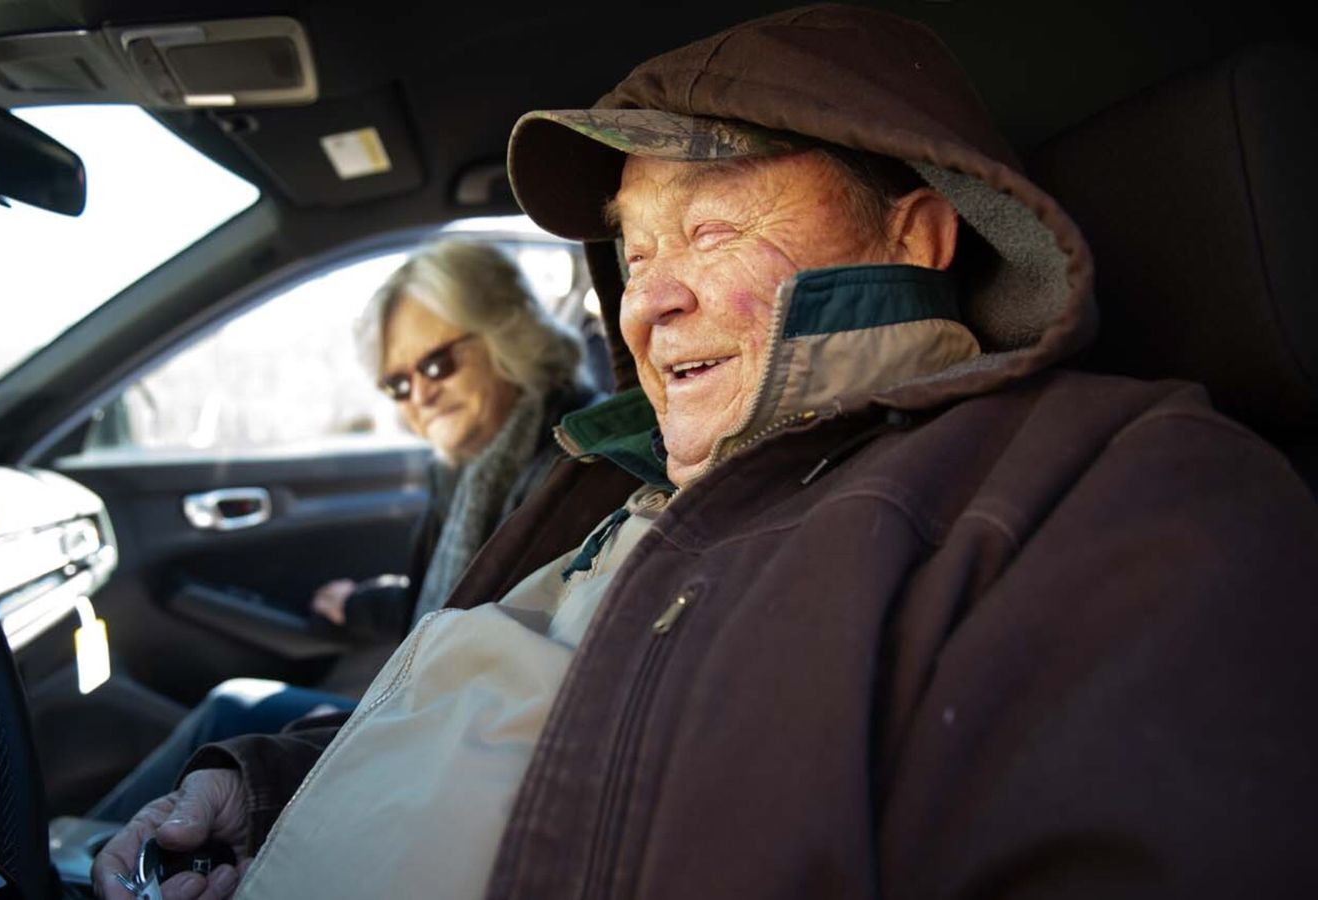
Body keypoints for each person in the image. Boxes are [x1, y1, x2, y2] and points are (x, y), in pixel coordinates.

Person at [94, 6, 1318, 899]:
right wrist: (270, 799)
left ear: (923, 233)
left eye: (714, 227)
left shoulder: (1120, 489)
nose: (646, 306)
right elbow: (544, 716)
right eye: (633, 254)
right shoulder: (613, 485)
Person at [85, 239, 598, 823]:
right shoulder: (472, 466)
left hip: (456, 757)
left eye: (435, 364)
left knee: (232, 712)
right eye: (398, 384)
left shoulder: (567, 471)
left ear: (507, 334)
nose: (420, 395)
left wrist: (330, 741)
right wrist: (359, 605)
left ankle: (85, 866)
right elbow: (452, 599)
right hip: (425, 714)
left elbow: (503, 661)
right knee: (233, 712)